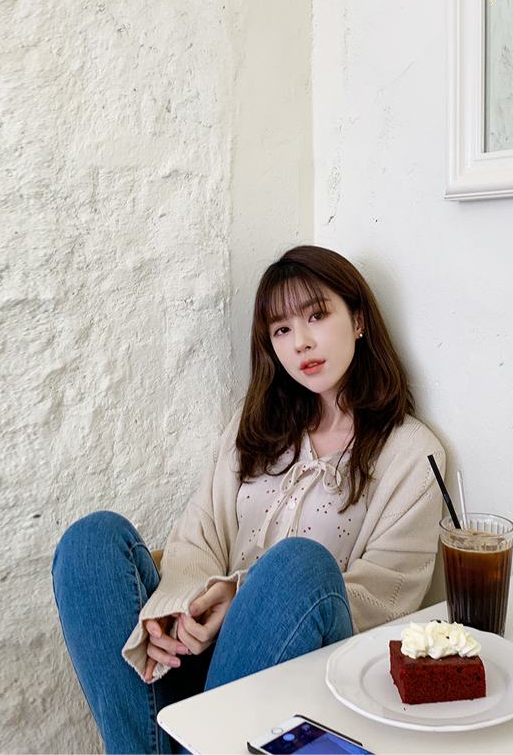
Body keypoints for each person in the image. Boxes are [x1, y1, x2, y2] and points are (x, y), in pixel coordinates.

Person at [52, 246, 445, 754]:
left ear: (359, 320)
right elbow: (199, 538)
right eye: (281, 329)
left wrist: (243, 596)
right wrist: (179, 613)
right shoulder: (256, 426)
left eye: (317, 316)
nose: (301, 342)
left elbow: (386, 600)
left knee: (300, 564)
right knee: (92, 539)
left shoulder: (412, 453)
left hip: (297, 675)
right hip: (200, 661)